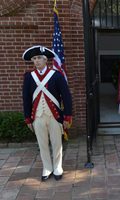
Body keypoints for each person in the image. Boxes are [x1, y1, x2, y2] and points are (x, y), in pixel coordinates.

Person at [22, 45, 72, 181]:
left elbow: (66, 96)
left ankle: (57, 167)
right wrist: (27, 118)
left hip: (54, 115)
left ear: (45, 60)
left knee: (57, 143)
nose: (36, 61)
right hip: (37, 116)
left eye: (39, 58)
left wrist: (67, 116)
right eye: (34, 59)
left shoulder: (56, 75)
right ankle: (47, 167)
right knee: (42, 143)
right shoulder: (29, 77)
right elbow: (26, 99)